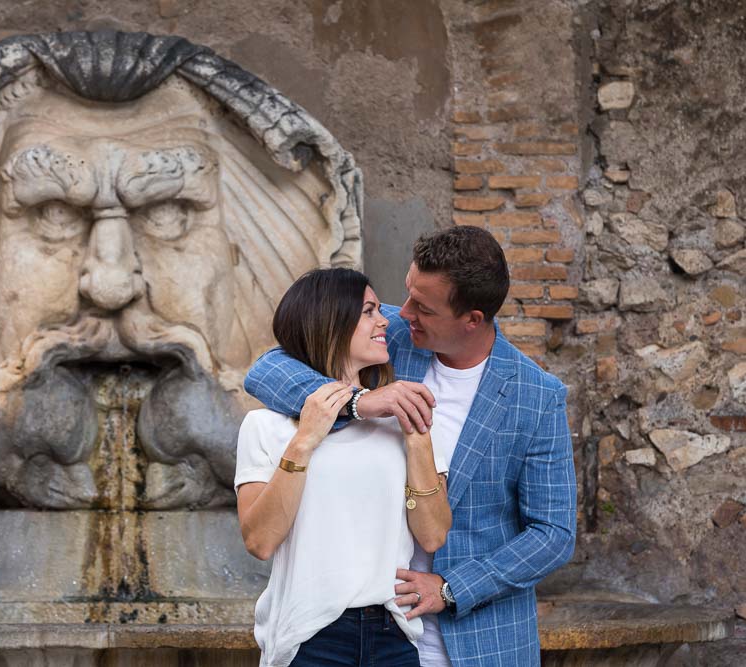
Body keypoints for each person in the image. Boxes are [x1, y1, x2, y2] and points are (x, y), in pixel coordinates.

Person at [244, 226, 577, 666]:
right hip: (366, 633)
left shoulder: (535, 396)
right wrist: (360, 402)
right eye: (407, 294)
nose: (402, 313)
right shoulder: (389, 337)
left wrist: (450, 588)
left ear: (471, 319)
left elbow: (553, 535)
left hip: (480, 641)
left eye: (422, 306)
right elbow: (268, 369)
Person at [235, 267, 452, 667]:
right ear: (329, 323)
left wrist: (417, 437)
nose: (384, 320)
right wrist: (305, 442)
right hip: (309, 639)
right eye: (368, 311)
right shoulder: (265, 427)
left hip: (393, 637)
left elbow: (433, 534)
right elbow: (261, 542)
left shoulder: (398, 422)